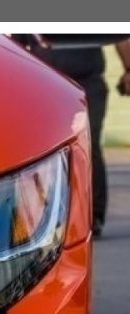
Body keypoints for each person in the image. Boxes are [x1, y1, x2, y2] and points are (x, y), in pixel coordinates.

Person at [16, 36, 130, 237]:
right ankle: (44, 219)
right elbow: (16, 45)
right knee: (44, 150)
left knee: (88, 145)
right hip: (45, 82)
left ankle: (92, 216)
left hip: (87, 83)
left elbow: (121, 38)